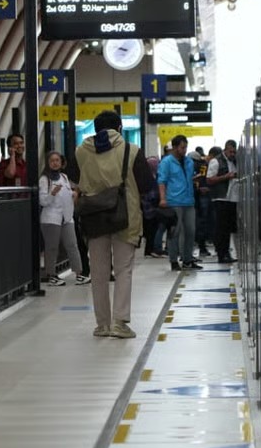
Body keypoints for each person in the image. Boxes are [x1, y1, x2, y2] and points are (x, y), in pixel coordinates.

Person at [71, 110, 154, 338]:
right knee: (123, 270)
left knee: (98, 272)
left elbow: (75, 179)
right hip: (124, 216)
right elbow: (146, 185)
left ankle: (102, 325)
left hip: (94, 217)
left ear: (95, 129)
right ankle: (120, 323)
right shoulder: (131, 150)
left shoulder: (81, 152)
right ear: (119, 128)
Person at [39, 151, 89, 286]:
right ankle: (52, 275)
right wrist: (52, 194)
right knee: (52, 247)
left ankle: (79, 273)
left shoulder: (64, 177)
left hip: (66, 218)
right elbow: (43, 201)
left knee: (72, 245)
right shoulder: (44, 180)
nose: (55, 163)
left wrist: (72, 194)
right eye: (52, 161)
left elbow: (67, 194)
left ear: (61, 163)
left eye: (57, 160)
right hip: (51, 219)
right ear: (48, 163)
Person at [158, 134, 202, 271]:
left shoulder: (189, 162)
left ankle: (187, 259)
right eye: (182, 147)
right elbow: (162, 181)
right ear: (176, 147)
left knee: (190, 231)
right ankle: (173, 260)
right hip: (174, 201)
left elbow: (188, 178)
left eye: (186, 147)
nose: (184, 150)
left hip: (188, 201)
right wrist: (163, 198)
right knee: (174, 232)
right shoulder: (166, 162)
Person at [207, 139, 239, 263]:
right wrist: (226, 177)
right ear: (225, 149)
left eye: (234, 152)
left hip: (232, 198)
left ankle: (226, 252)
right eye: (230, 152)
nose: (232, 154)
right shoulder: (216, 162)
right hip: (220, 198)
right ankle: (222, 253)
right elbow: (209, 180)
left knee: (228, 228)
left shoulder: (235, 161)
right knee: (221, 228)